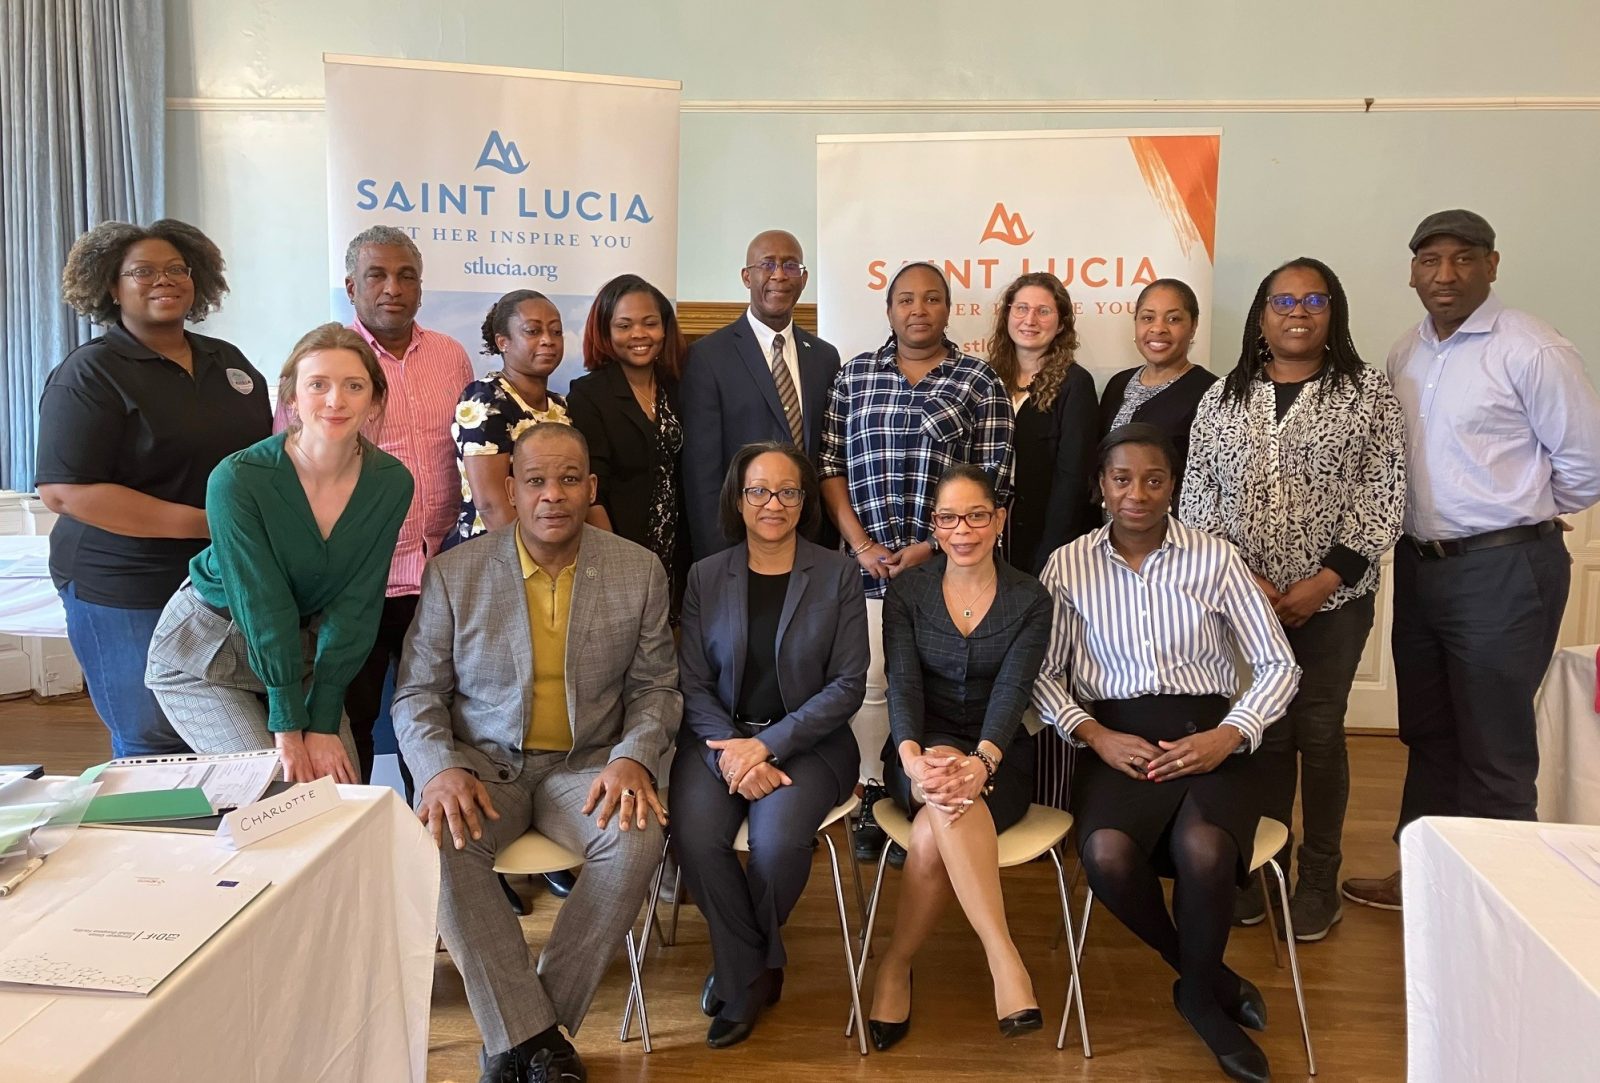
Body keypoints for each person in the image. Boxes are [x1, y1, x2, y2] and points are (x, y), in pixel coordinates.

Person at [392, 422, 679, 1083]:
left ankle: (518, 1035)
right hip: (482, 767)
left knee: (637, 840)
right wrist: (437, 768)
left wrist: (634, 755)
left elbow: (657, 686)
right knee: (438, 843)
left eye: (570, 479)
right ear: (511, 491)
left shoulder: (636, 569)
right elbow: (416, 695)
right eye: (538, 481)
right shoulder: (454, 573)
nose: (555, 494)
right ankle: (536, 1042)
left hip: (588, 766)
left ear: (591, 488)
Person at [1342, 209, 1600, 912]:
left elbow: (1586, 464)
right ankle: (1424, 882)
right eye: (1430, 260)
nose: (1445, 274)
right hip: (1423, 568)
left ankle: (1499, 909)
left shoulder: (1531, 348)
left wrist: (1521, 514)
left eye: (1462, 259)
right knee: (1428, 733)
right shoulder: (1408, 351)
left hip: (1503, 568)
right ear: (1413, 272)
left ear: (1492, 264)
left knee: (1495, 743)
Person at [1034, 424, 1301, 1083]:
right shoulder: (1067, 564)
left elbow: (1277, 664)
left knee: (1207, 848)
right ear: (1101, 485)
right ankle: (1201, 973)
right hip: (1116, 739)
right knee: (1106, 853)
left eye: (1153, 479)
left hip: (1208, 734)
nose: (1137, 493)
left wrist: (1231, 732)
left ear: (1172, 484)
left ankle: (1199, 1003)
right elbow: (1042, 673)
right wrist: (1092, 732)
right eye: (1122, 478)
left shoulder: (1214, 558)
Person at [1181, 258, 1406, 942]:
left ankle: (1317, 878)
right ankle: (1265, 865)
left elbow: (1383, 492)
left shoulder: (1367, 392)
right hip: (1245, 601)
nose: (1299, 310)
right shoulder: (1223, 397)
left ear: (1333, 311)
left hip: (1334, 601)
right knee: (1265, 733)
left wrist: (1324, 580)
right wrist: (1245, 580)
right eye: (1284, 299)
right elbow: (1197, 497)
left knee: (1318, 729)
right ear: (1261, 314)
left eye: (1314, 298)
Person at [35, 218, 270, 758]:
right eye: (142, 271)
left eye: (176, 269)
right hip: (125, 583)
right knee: (154, 739)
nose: (163, 280)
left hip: (218, 577)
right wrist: (211, 525)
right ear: (111, 286)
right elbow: (66, 493)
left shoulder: (229, 363)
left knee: (219, 728)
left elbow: (260, 461)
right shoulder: (90, 373)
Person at [145, 324, 412, 781]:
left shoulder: (391, 482)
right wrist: (289, 727)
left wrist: (323, 720)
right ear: (291, 398)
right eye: (318, 385)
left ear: (375, 400)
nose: (336, 401)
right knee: (277, 791)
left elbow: (357, 604)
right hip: (206, 650)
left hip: (296, 652)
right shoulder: (239, 478)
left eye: (354, 386)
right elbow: (262, 603)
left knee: (339, 793)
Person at [671, 442, 868, 1049]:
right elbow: (692, 681)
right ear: (738, 497)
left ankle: (737, 974)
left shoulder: (835, 573)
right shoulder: (707, 574)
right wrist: (733, 748)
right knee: (696, 840)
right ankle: (755, 966)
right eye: (758, 490)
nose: (772, 503)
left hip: (809, 741)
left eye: (787, 491)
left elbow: (847, 684)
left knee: (779, 844)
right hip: (719, 739)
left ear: (804, 501)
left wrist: (768, 747)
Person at [865, 465, 1051, 1051]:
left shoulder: (1030, 596)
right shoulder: (910, 591)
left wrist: (984, 761)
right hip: (920, 747)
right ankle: (1004, 957)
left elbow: (1013, 691)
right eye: (948, 518)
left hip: (1000, 756)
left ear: (999, 520)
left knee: (931, 830)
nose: (962, 530)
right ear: (934, 526)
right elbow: (904, 685)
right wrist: (916, 758)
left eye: (977, 515)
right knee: (945, 786)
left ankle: (896, 965)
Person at [286, 226, 474, 790]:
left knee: (440, 720)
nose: (393, 287)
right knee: (353, 722)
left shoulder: (450, 354)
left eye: (406, 275)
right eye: (377, 275)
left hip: (441, 571)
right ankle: (356, 846)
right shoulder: (328, 360)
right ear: (351, 286)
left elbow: (467, 451)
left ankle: (437, 848)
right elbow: (294, 460)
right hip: (359, 577)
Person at [819, 261, 1015, 793]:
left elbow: (995, 482)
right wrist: (861, 546)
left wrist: (933, 546)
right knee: (870, 684)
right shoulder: (854, 375)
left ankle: (929, 791)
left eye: (931, 299)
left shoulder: (978, 380)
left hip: (951, 571)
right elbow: (830, 466)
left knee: (927, 688)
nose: (918, 310)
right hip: (868, 569)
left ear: (948, 309)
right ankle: (869, 794)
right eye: (905, 299)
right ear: (889, 310)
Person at [681, 230, 843, 559]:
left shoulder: (825, 357)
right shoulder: (708, 356)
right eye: (767, 264)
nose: (780, 275)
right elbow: (702, 473)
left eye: (791, 265)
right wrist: (717, 558)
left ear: (804, 278)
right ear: (746, 276)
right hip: (737, 544)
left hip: (811, 544)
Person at [566, 274, 689, 616]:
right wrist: (619, 561)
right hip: (622, 546)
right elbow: (593, 489)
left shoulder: (678, 387)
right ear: (605, 332)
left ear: (665, 328)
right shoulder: (589, 395)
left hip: (680, 548)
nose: (639, 335)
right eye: (624, 325)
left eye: (650, 323)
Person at [449, 289, 570, 547]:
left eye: (556, 331)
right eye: (533, 331)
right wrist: (532, 563)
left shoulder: (560, 406)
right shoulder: (484, 400)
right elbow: (492, 505)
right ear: (503, 342)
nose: (548, 340)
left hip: (551, 549)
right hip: (494, 554)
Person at [1097, 278, 1217, 509]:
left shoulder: (1211, 392)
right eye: (1148, 318)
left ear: (1193, 325)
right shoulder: (1117, 384)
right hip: (1111, 534)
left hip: (1173, 535)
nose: (1158, 328)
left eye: (1173, 319)